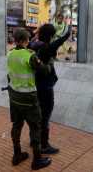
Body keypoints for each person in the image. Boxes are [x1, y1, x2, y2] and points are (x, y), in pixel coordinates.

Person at [7, 29, 52, 170]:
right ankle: (37, 160)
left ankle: (17, 154)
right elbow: (44, 70)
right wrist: (50, 64)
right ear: (25, 40)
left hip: (14, 97)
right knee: (35, 127)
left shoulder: (10, 54)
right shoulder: (29, 56)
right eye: (28, 39)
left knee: (16, 125)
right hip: (29, 98)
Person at [28, 24, 71, 154]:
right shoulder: (46, 48)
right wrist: (67, 34)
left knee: (36, 114)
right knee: (45, 116)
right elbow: (56, 43)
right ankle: (44, 145)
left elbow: (31, 39)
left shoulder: (32, 45)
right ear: (51, 36)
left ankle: (34, 140)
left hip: (34, 84)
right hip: (45, 86)